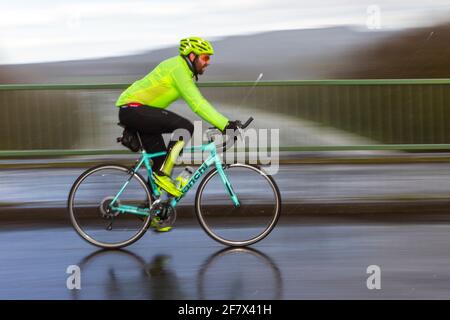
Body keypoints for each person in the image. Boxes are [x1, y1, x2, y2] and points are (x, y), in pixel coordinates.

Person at [116, 37, 238, 199]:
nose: (208, 62)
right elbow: (198, 104)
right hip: (133, 109)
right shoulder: (178, 69)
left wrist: (224, 124)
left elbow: (196, 102)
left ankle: (156, 213)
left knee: (161, 161)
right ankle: (162, 175)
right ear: (192, 56)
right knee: (185, 127)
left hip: (138, 112)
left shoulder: (182, 71)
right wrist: (225, 124)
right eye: (205, 57)